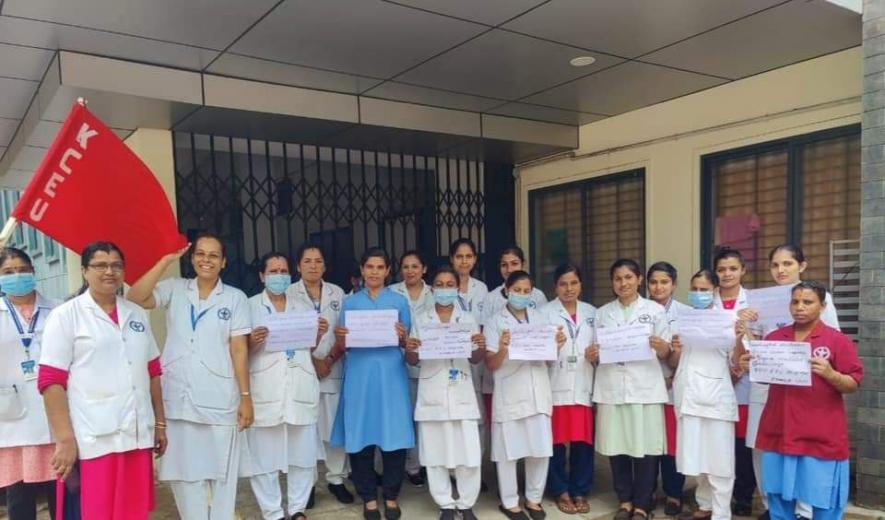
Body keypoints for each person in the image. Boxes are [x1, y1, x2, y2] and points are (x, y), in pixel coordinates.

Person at [127, 233, 253, 519]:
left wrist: (245, 397)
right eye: (200, 254)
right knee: (184, 474)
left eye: (213, 255)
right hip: (178, 397)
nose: (206, 260)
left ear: (223, 262)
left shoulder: (235, 298)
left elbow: (239, 350)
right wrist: (165, 260)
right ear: (192, 258)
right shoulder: (175, 288)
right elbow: (135, 297)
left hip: (219, 397)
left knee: (222, 472)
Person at [39, 241, 167, 520]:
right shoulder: (66, 316)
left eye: (116, 265)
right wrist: (65, 440)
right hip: (94, 437)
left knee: (133, 511)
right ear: (84, 271)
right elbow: (51, 382)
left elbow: (153, 371)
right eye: (100, 265)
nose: (109, 271)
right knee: (97, 511)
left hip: (136, 435)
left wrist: (159, 424)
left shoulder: (136, 315)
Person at [738, 281, 862, 520]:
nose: (800, 307)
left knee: (824, 500)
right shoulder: (776, 337)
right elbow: (765, 378)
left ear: (822, 306)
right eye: (795, 302)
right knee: (779, 499)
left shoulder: (837, 341)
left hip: (821, 435)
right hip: (780, 432)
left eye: (807, 302)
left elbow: (853, 383)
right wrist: (752, 366)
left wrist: (831, 374)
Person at [243, 252, 329, 520]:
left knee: (302, 455)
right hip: (265, 386)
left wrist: (318, 333)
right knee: (264, 457)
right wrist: (252, 341)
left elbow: (309, 346)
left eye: (283, 271)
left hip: (299, 384)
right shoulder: (249, 306)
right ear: (262, 276)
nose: (279, 276)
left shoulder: (302, 306)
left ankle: (297, 509)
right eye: (273, 271)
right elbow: (236, 350)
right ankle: (272, 512)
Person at [329, 247, 412, 520]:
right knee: (360, 437)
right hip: (360, 377)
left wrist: (403, 336)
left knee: (394, 437)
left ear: (388, 271)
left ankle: (390, 496)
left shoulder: (399, 301)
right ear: (362, 270)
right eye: (370, 267)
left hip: (391, 377)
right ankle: (369, 498)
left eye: (380, 267)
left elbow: (408, 345)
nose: (375, 272)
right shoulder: (351, 303)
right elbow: (345, 346)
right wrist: (341, 337)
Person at [404, 266, 486, 520]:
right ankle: (445, 504)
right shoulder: (422, 318)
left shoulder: (468, 319)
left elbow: (475, 359)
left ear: (457, 288)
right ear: (433, 288)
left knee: (468, 453)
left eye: (450, 284)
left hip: (461, 390)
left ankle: (466, 502)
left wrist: (479, 345)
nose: (445, 289)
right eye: (439, 284)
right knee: (435, 453)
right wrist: (411, 347)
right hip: (433, 393)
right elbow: (413, 360)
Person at [591, 259, 671, 520]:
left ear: (638, 280)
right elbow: (596, 352)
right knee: (617, 446)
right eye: (617, 278)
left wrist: (661, 347)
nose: (623, 283)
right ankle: (624, 500)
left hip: (644, 387)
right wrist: (592, 354)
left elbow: (668, 352)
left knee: (646, 448)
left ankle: (642, 504)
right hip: (612, 387)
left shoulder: (655, 311)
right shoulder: (602, 313)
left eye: (628, 277)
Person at [485, 270, 565, 520]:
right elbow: (490, 364)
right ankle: (510, 502)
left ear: (532, 293)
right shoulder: (494, 322)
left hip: (538, 391)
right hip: (509, 392)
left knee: (539, 449)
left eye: (526, 291)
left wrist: (557, 345)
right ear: (507, 290)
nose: (521, 295)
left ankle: (534, 499)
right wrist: (502, 349)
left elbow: (550, 359)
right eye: (516, 290)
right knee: (508, 451)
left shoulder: (541, 319)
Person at [289, 243, 354, 504]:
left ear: (325, 266)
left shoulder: (338, 293)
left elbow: (345, 332)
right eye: (307, 261)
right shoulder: (289, 294)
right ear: (298, 266)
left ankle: (336, 479)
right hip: (302, 369)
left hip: (333, 367)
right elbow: (287, 334)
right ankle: (307, 486)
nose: (313, 266)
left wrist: (327, 359)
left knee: (333, 430)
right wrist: (313, 362)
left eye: (318, 261)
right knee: (305, 431)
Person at [670, 269, 737, 520]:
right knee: (695, 454)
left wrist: (741, 334)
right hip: (687, 392)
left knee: (720, 458)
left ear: (715, 291)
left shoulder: (727, 319)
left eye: (704, 290)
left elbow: (737, 359)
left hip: (716, 395)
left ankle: (722, 512)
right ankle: (704, 503)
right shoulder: (682, 319)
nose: (698, 294)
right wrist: (675, 349)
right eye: (694, 289)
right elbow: (677, 359)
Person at [0, 248, 60, 520]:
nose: (17, 276)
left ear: (34, 273)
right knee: (19, 497)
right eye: (8, 272)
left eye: (23, 270)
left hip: (57, 415)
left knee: (61, 492)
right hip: (13, 419)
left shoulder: (59, 309)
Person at [539, 264, 597, 516]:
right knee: (555, 442)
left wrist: (597, 354)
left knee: (583, 441)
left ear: (581, 285)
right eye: (563, 284)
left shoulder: (594, 313)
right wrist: (550, 347)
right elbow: (536, 354)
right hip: (555, 384)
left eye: (573, 283)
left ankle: (580, 490)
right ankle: (560, 489)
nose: (569, 288)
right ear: (555, 287)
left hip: (584, 384)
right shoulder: (543, 313)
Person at [710, 247, 756, 517]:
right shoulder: (706, 302)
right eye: (721, 269)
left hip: (747, 379)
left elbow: (763, 337)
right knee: (719, 441)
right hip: (716, 379)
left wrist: (740, 367)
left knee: (742, 442)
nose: (727, 274)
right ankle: (717, 497)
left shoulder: (753, 304)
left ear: (743, 271)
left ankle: (744, 494)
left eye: (732, 269)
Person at [646, 261, 689, 516]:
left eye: (664, 282)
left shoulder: (686, 313)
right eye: (653, 282)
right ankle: (648, 490)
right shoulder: (639, 310)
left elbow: (690, 350)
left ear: (674, 284)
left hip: (675, 386)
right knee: (650, 443)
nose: (658, 287)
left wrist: (673, 377)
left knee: (673, 445)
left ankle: (674, 492)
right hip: (647, 385)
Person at [389, 250, 433, 487]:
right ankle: (412, 466)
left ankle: (426, 463)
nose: (410, 271)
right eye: (405, 267)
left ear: (424, 269)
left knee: (425, 418)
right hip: (398, 364)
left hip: (428, 364)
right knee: (404, 417)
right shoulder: (392, 293)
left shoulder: (435, 293)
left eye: (415, 266)